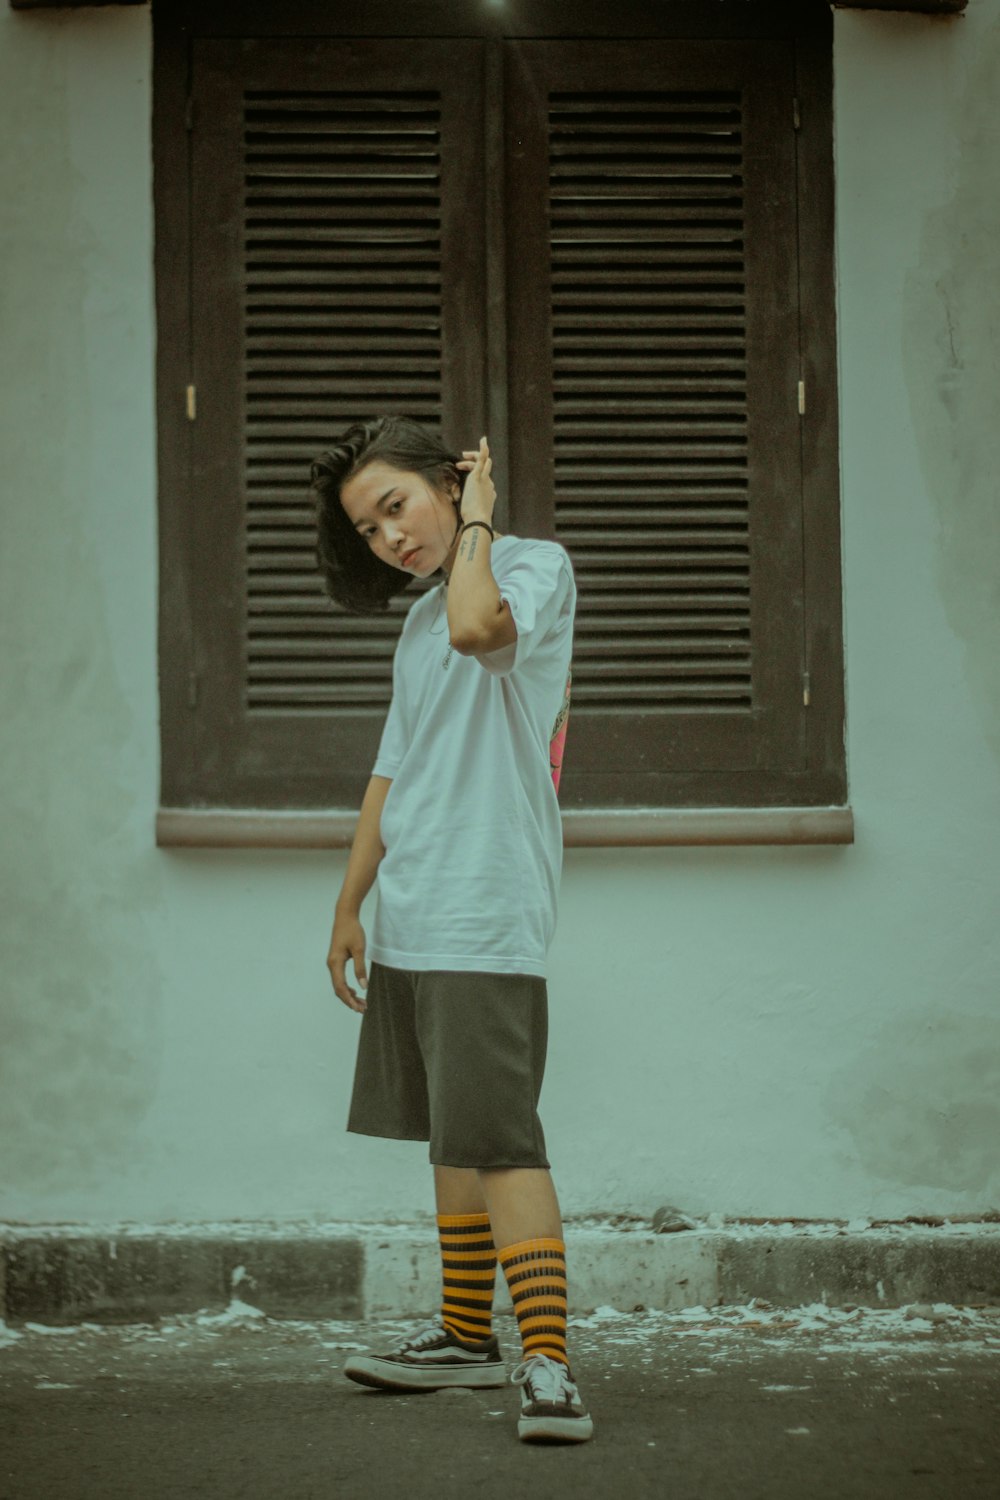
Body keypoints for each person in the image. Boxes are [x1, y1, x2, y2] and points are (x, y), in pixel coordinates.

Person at [311, 414, 591, 1445]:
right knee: (448, 1132)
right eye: (368, 528)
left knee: (501, 1138)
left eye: (398, 505)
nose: (389, 538)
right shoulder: (416, 620)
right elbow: (393, 768)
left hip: (485, 904)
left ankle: (548, 1363)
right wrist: (350, 903)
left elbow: (485, 633)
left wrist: (478, 524)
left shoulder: (528, 570)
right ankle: (466, 1338)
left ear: (453, 482)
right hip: (415, 906)